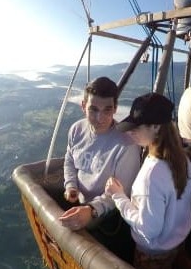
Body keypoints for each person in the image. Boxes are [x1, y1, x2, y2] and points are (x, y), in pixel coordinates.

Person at [104, 92, 191, 269]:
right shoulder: (182, 158)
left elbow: (148, 230)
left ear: (156, 127)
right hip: (178, 240)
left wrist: (118, 196)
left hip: (154, 252)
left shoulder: (152, 174)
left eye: (136, 127)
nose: (130, 132)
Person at [57, 77, 141, 232]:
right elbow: (69, 160)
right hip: (80, 201)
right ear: (83, 106)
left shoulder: (126, 145)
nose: (100, 118)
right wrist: (71, 185)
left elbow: (123, 193)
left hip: (107, 214)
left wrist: (92, 210)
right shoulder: (77, 130)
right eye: (93, 109)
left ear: (115, 108)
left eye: (107, 110)